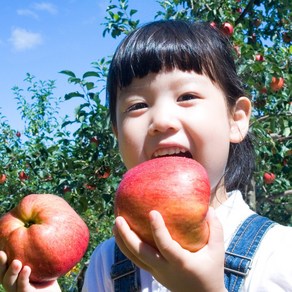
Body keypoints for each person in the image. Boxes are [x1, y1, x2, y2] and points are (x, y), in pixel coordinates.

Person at [0, 20, 291, 292]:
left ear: (236, 119)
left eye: (187, 97)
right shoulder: (108, 262)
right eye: (137, 105)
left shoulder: (279, 255)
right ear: (116, 133)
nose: (162, 120)